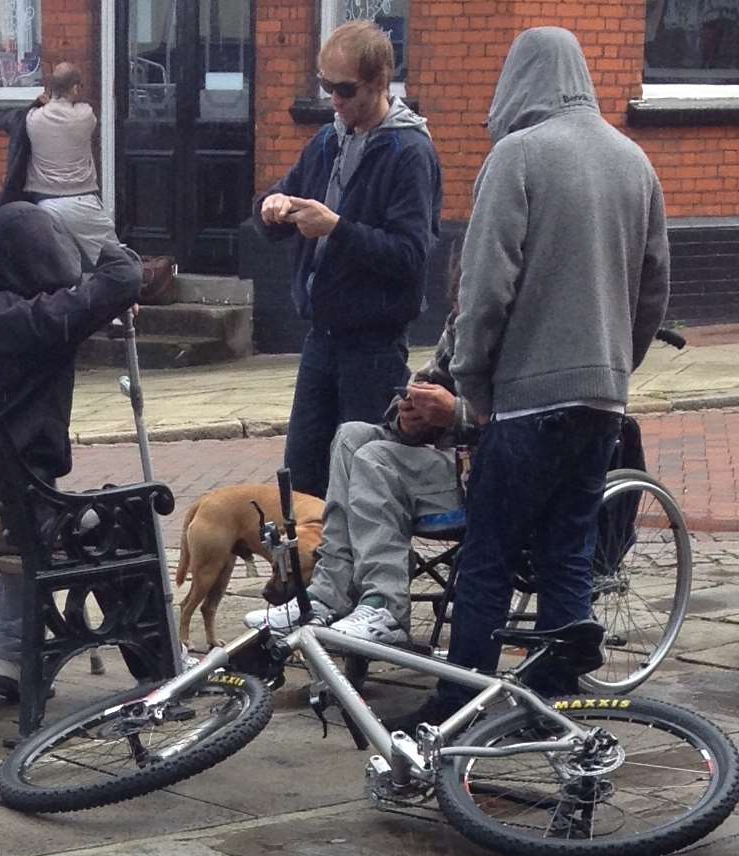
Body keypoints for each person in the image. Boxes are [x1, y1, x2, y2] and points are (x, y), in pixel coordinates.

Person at [398, 27, 670, 730]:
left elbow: (484, 289)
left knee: (486, 557)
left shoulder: (515, 157)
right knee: (567, 550)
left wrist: (473, 388)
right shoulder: (633, 160)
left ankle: (459, 707)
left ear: (517, 79)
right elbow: (652, 288)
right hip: (600, 401)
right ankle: (556, 699)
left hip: (524, 403)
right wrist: (617, 365)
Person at [0, 201, 142, 698]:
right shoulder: (37, 323)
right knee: (119, 519)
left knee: (19, 499)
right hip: (13, 513)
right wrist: (95, 240)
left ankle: (10, 655)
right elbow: (122, 276)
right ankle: (156, 661)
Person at [254, 20, 443, 500]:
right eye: (324, 86)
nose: (333, 99)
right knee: (302, 475)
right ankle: (305, 573)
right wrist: (272, 208)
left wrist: (336, 229)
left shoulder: (409, 153)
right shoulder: (327, 140)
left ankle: (363, 575)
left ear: (379, 83)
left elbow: (410, 256)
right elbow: (285, 192)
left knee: (363, 481)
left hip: (373, 346)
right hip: (322, 337)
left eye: (344, 88)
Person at [243, 309, 477, 644]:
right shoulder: (461, 321)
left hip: (487, 473)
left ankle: (386, 607)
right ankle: (327, 594)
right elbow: (422, 387)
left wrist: (455, 413)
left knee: (375, 459)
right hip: (448, 461)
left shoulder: (517, 328)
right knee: (353, 436)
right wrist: (409, 418)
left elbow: (518, 420)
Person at [21, 62, 121, 268]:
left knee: (56, 267)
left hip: (44, 204)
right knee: (116, 261)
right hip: (81, 201)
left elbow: (31, 114)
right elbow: (81, 112)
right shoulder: (85, 115)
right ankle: (127, 298)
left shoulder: (32, 119)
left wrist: (43, 102)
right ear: (75, 88)